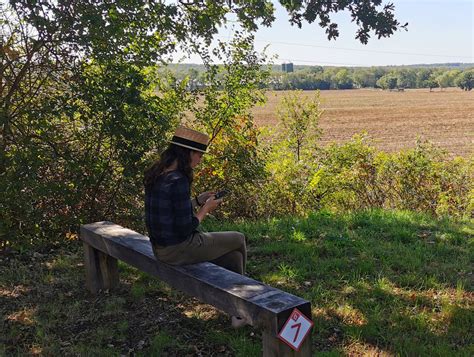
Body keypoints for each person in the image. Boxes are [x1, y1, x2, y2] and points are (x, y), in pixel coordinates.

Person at [144, 126, 247, 328]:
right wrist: (205, 210)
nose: (200, 160)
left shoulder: (158, 173)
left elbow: (170, 210)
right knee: (239, 238)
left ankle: (237, 310)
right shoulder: (179, 180)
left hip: (159, 248)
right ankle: (243, 305)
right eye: (199, 155)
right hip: (177, 249)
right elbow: (186, 229)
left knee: (234, 258)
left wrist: (197, 201)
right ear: (188, 153)